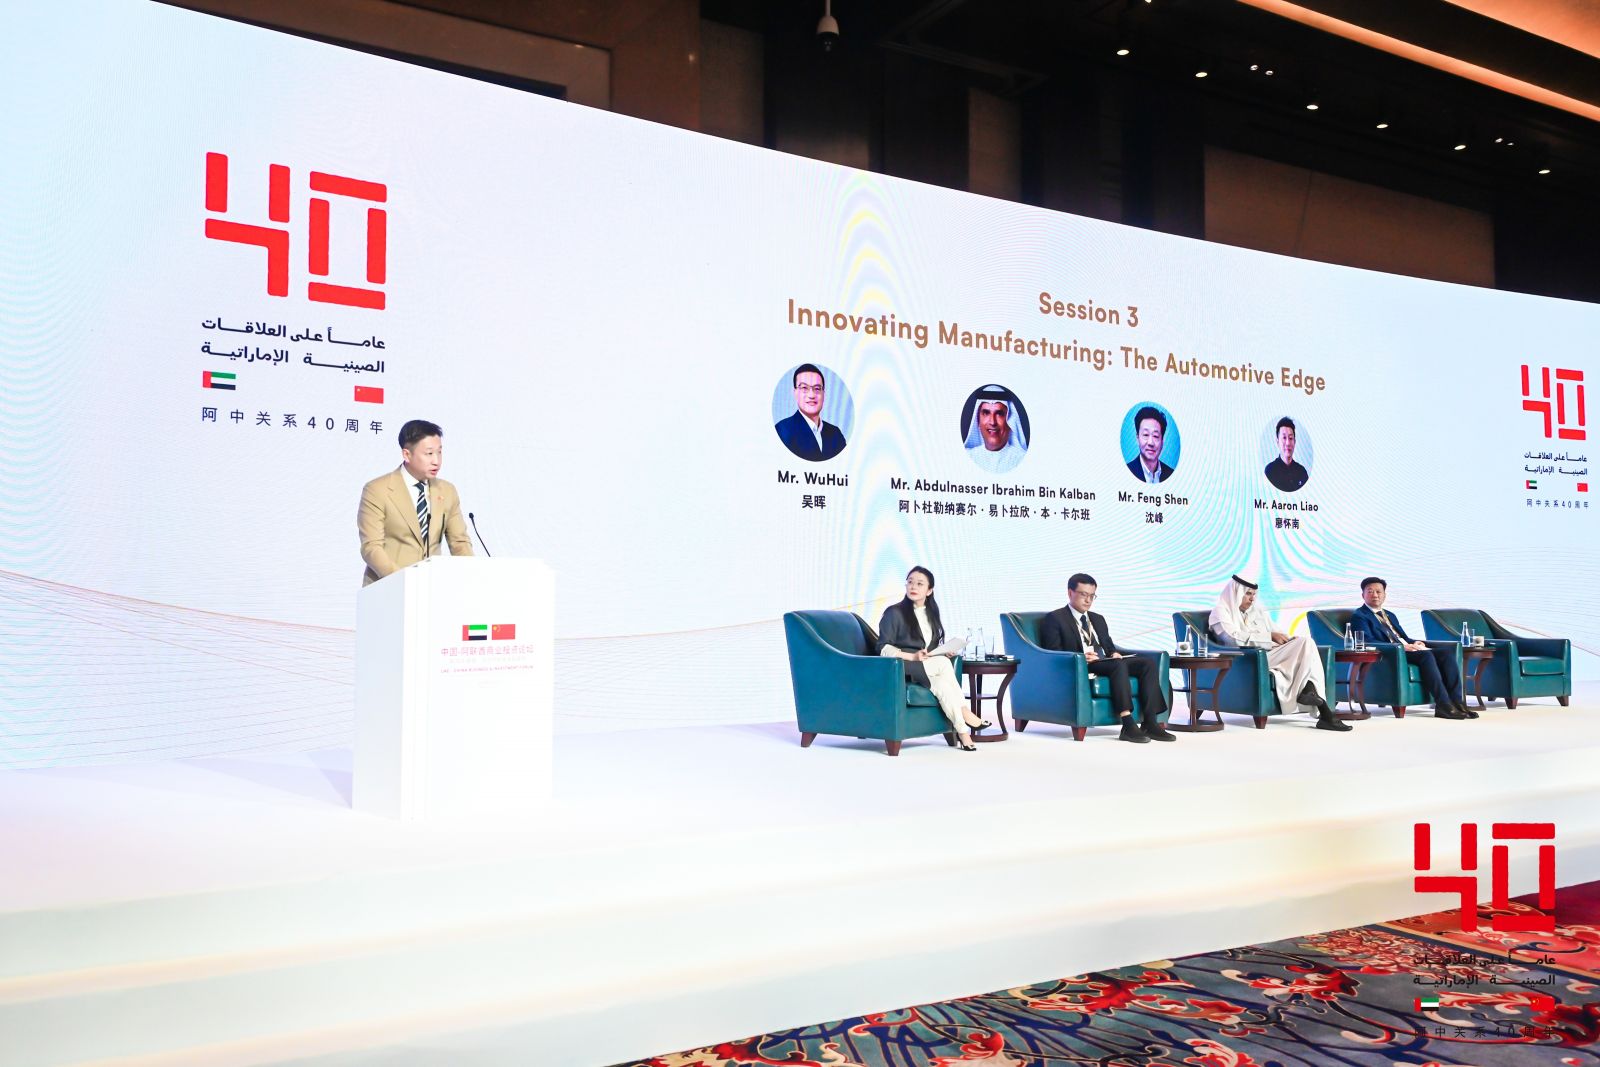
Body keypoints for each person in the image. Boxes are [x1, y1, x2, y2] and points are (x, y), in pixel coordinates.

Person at [1039, 573, 1173, 743]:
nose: (1088, 600)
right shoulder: (1055, 618)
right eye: (1083, 594)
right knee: (1118, 665)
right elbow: (1053, 651)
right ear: (1070, 593)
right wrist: (1080, 657)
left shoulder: (1097, 619)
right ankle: (1127, 724)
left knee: (1147, 664)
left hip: (1104, 661)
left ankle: (1150, 723)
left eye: (1092, 596)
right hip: (1081, 664)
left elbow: (1108, 646)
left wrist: (1113, 653)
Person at [1208, 575, 1349, 731]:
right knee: (1305, 646)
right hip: (1248, 660)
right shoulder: (1220, 612)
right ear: (1235, 592)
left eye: (1254, 594)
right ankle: (1322, 708)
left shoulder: (1257, 612)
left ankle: (1314, 698)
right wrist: (1269, 637)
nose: (1252, 599)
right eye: (1248, 594)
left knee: (1305, 642)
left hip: (1271, 655)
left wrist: (1290, 640)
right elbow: (1232, 639)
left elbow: (1278, 632)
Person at [877, 566, 989, 751]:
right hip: (900, 666)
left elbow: (930, 648)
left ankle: (963, 734)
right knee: (943, 664)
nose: (913, 586)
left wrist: (944, 651)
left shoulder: (931, 614)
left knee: (943, 686)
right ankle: (966, 712)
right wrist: (911, 656)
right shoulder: (894, 612)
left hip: (924, 666)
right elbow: (883, 648)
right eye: (910, 582)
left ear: (929, 590)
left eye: (919, 584)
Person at [358, 419, 473, 586]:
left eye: (439, 452)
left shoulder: (447, 491)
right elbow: (371, 547)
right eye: (429, 453)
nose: (436, 461)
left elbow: (459, 543)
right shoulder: (377, 490)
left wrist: (470, 577)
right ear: (407, 454)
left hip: (433, 587)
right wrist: (404, 580)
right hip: (388, 586)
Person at [1350, 577, 1473, 719]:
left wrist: (1416, 643)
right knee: (1426, 656)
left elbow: (1402, 637)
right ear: (1363, 595)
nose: (1375, 595)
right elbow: (1366, 641)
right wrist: (1401, 647)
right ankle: (1443, 705)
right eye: (1370, 591)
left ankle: (1458, 702)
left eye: (1379, 591)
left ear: (1384, 595)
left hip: (1404, 649)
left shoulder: (1389, 615)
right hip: (1391, 653)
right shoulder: (1359, 616)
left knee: (1446, 653)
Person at [774, 363, 847, 461]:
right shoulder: (782, 430)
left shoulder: (835, 434)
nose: (812, 395)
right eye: (804, 388)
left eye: (817, 389)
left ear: (824, 394)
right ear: (795, 393)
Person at [962, 384, 1028, 474]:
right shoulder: (967, 456)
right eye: (986, 413)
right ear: (978, 420)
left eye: (999, 414)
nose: (992, 422)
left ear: (1010, 421)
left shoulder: (1022, 459)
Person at [1125, 405, 1175, 484]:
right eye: (1146, 435)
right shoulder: (1126, 471)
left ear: (1162, 441)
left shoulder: (1171, 474)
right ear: (1137, 438)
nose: (1151, 443)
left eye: (1155, 436)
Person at [1264, 417, 1310, 492]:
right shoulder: (1270, 471)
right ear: (1277, 442)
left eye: (1291, 438)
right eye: (1284, 438)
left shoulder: (1302, 472)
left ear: (1295, 442)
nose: (1288, 443)